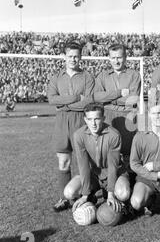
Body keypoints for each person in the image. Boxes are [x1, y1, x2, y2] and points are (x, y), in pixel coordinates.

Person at [47, 41, 95, 212]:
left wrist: (65, 103)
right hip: (61, 123)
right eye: (70, 56)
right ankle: (63, 198)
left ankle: (88, 193)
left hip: (80, 122)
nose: (73, 59)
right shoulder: (56, 77)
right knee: (63, 161)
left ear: (80, 56)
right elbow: (52, 99)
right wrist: (75, 98)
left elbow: (88, 102)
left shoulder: (87, 76)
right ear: (64, 57)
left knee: (84, 161)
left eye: (76, 56)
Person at [63, 103, 131, 217]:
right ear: (85, 119)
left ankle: (123, 204)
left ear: (103, 118)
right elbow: (83, 166)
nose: (93, 123)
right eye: (89, 119)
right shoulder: (79, 135)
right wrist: (85, 194)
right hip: (94, 175)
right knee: (69, 192)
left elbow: (113, 166)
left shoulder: (114, 135)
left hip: (115, 173)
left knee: (123, 193)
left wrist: (110, 194)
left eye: (97, 119)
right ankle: (90, 197)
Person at [94, 43, 141, 158]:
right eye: (113, 58)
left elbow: (132, 99)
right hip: (108, 116)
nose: (116, 61)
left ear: (125, 57)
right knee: (108, 151)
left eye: (119, 57)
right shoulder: (103, 76)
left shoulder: (134, 75)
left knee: (127, 151)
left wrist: (108, 99)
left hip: (128, 115)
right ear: (109, 58)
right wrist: (119, 93)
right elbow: (97, 97)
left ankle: (129, 176)